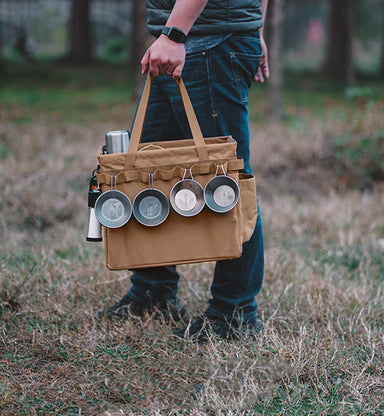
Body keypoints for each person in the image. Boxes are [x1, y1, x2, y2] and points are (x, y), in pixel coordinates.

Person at [99, 0, 269, 343]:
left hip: (204, 43)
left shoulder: (183, 38)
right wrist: (255, 26)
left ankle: (234, 313)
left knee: (228, 181)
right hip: (195, 39)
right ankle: (153, 290)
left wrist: (175, 34)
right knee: (142, 173)